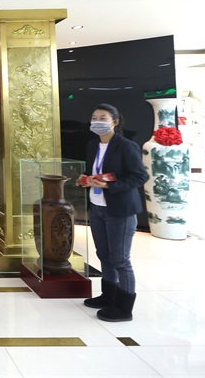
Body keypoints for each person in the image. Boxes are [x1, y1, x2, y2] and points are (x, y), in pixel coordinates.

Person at [78, 103, 148, 322]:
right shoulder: (93, 145)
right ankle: (108, 296)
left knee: (120, 260)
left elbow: (140, 176)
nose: (97, 122)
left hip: (120, 210)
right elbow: (95, 170)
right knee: (104, 255)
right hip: (97, 207)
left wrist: (111, 186)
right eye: (94, 118)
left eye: (102, 118)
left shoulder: (126, 146)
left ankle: (124, 308)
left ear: (114, 122)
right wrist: (85, 179)